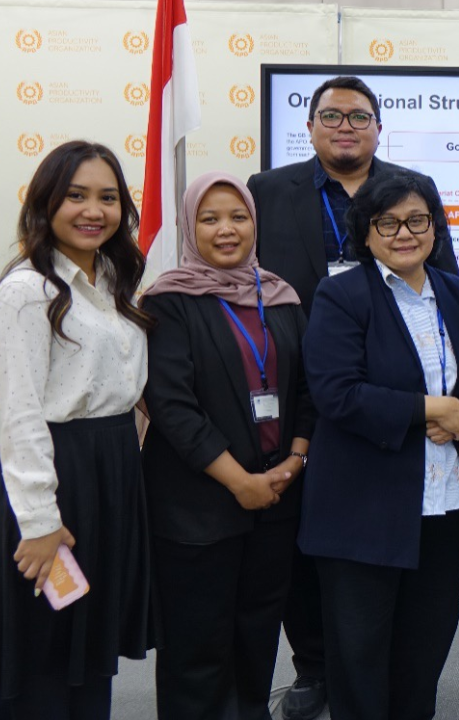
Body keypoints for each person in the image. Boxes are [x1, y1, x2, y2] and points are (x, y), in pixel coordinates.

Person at [246, 75, 459, 719]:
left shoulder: (411, 191)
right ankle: (314, 665)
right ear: (310, 125)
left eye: (359, 116)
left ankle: (355, 673)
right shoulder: (267, 190)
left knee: (393, 589)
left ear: (378, 127)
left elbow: (444, 284)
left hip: (393, 390)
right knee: (309, 541)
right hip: (293, 384)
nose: (346, 126)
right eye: (332, 115)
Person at [299, 170, 459, 720]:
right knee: (359, 659)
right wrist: (429, 409)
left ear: (435, 227)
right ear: (366, 231)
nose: (405, 233)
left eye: (417, 220)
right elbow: (336, 392)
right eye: (388, 223)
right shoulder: (341, 295)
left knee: (424, 653)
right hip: (363, 508)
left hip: (442, 504)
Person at [139, 172, 315, 720]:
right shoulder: (169, 300)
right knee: (198, 646)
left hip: (275, 499)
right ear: (190, 228)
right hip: (197, 506)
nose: (226, 229)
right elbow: (171, 405)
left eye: (238, 217)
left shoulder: (281, 297)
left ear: (255, 224)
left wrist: (295, 460)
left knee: (256, 635)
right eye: (209, 218)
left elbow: (306, 391)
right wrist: (240, 483)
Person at [0, 140, 155, 718]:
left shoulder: (110, 277)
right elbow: (21, 413)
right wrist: (39, 522)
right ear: (46, 202)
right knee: (42, 652)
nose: (93, 211)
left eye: (108, 198)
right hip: (55, 477)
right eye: (76, 195)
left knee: (87, 647)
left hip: (112, 474)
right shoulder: (26, 290)